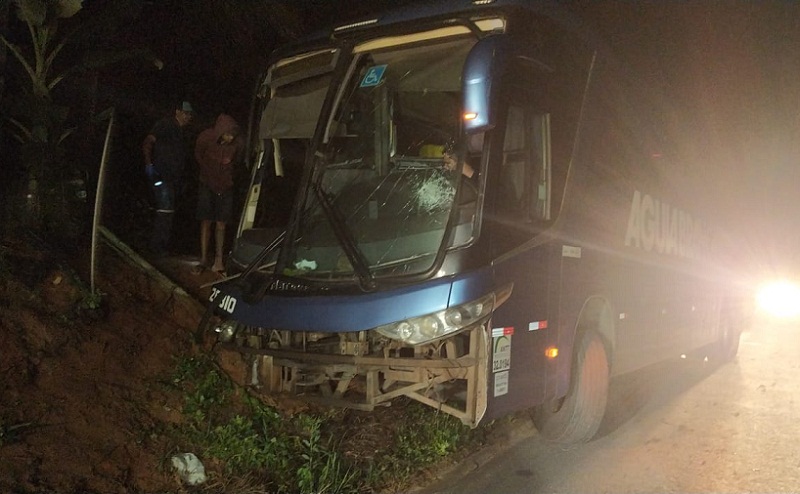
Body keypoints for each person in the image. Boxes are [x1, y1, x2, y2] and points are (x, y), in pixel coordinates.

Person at [192, 113, 243, 274]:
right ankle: (203, 259)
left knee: (221, 222)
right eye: (228, 134)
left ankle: (219, 260)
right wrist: (209, 172)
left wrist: (228, 176)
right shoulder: (206, 137)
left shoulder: (238, 144)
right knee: (206, 221)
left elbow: (238, 162)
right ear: (221, 131)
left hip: (226, 187)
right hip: (206, 184)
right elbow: (198, 155)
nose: (230, 138)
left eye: (233, 135)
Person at [141, 101, 194, 257]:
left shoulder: (182, 132)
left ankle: (160, 246)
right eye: (185, 113)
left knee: (168, 211)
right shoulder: (165, 125)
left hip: (174, 178)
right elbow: (147, 142)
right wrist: (149, 164)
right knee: (165, 210)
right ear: (177, 112)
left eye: (190, 115)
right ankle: (157, 248)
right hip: (161, 176)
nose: (188, 117)